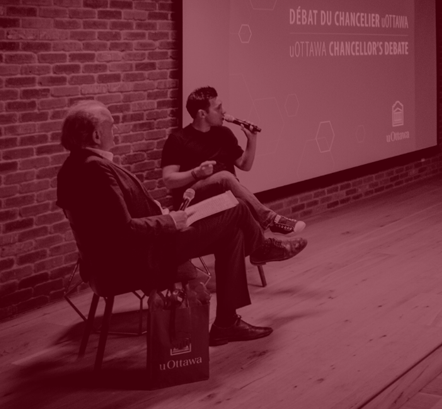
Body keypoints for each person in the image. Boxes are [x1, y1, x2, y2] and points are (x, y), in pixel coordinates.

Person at [56, 101, 307, 345]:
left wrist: (163, 214)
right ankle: (261, 248)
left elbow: (114, 224)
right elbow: (124, 231)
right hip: (140, 257)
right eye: (112, 124)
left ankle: (227, 324)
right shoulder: (95, 169)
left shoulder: (73, 167)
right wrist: (169, 220)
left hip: (138, 249)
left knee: (233, 233)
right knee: (238, 208)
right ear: (97, 135)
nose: (116, 129)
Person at [161, 86, 305, 235]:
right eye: (218, 108)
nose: (224, 111)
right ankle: (271, 220)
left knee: (240, 203)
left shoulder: (224, 133)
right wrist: (196, 173)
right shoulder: (178, 139)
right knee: (224, 177)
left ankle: (261, 249)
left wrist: (252, 140)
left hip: (225, 197)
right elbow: (168, 179)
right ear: (202, 113)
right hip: (192, 201)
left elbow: (245, 165)